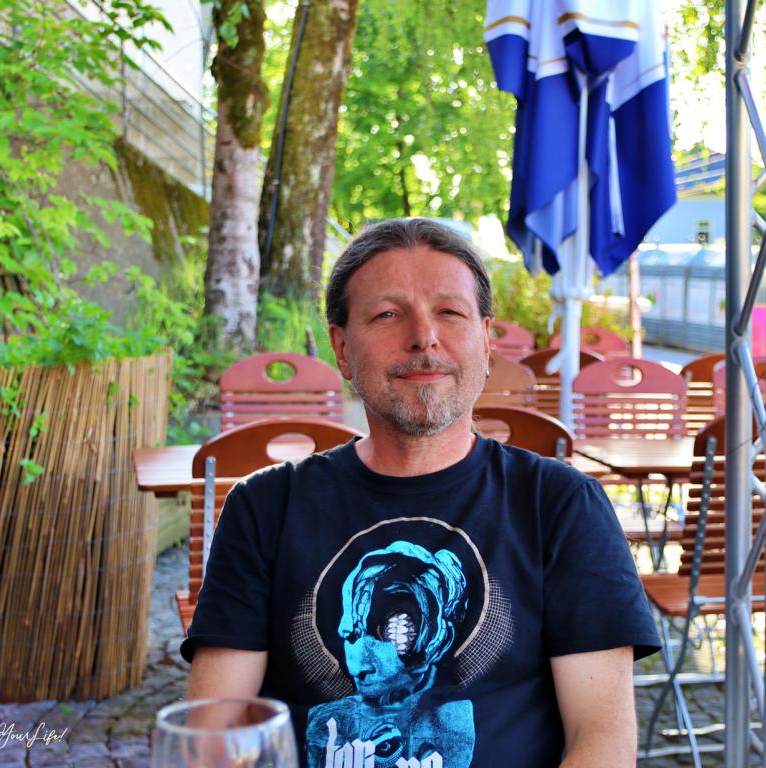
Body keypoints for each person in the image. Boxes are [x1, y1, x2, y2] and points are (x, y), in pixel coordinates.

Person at [182, 218, 660, 767]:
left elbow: (603, 741)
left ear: (486, 341)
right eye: (388, 314)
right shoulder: (264, 508)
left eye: (450, 312)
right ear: (342, 348)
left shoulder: (562, 506)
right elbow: (211, 736)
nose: (424, 336)